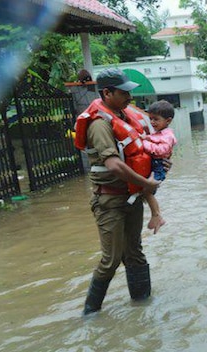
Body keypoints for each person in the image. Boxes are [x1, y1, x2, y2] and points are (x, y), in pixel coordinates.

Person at [74, 68, 161, 315]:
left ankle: (142, 307)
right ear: (107, 93)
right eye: (124, 93)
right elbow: (113, 164)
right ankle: (90, 314)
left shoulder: (123, 116)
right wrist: (146, 184)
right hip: (109, 200)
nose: (129, 97)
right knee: (110, 260)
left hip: (132, 197)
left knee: (134, 253)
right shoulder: (99, 124)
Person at [141, 99, 178, 234]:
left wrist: (144, 144)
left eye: (156, 119)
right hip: (155, 165)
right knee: (146, 192)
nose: (152, 122)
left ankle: (157, 216)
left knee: (147, 191)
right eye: (151, 119)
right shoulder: (159, 133)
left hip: (159, 166)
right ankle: (156, 216)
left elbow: (161, 150)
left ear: (168, 121)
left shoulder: (168, 135)